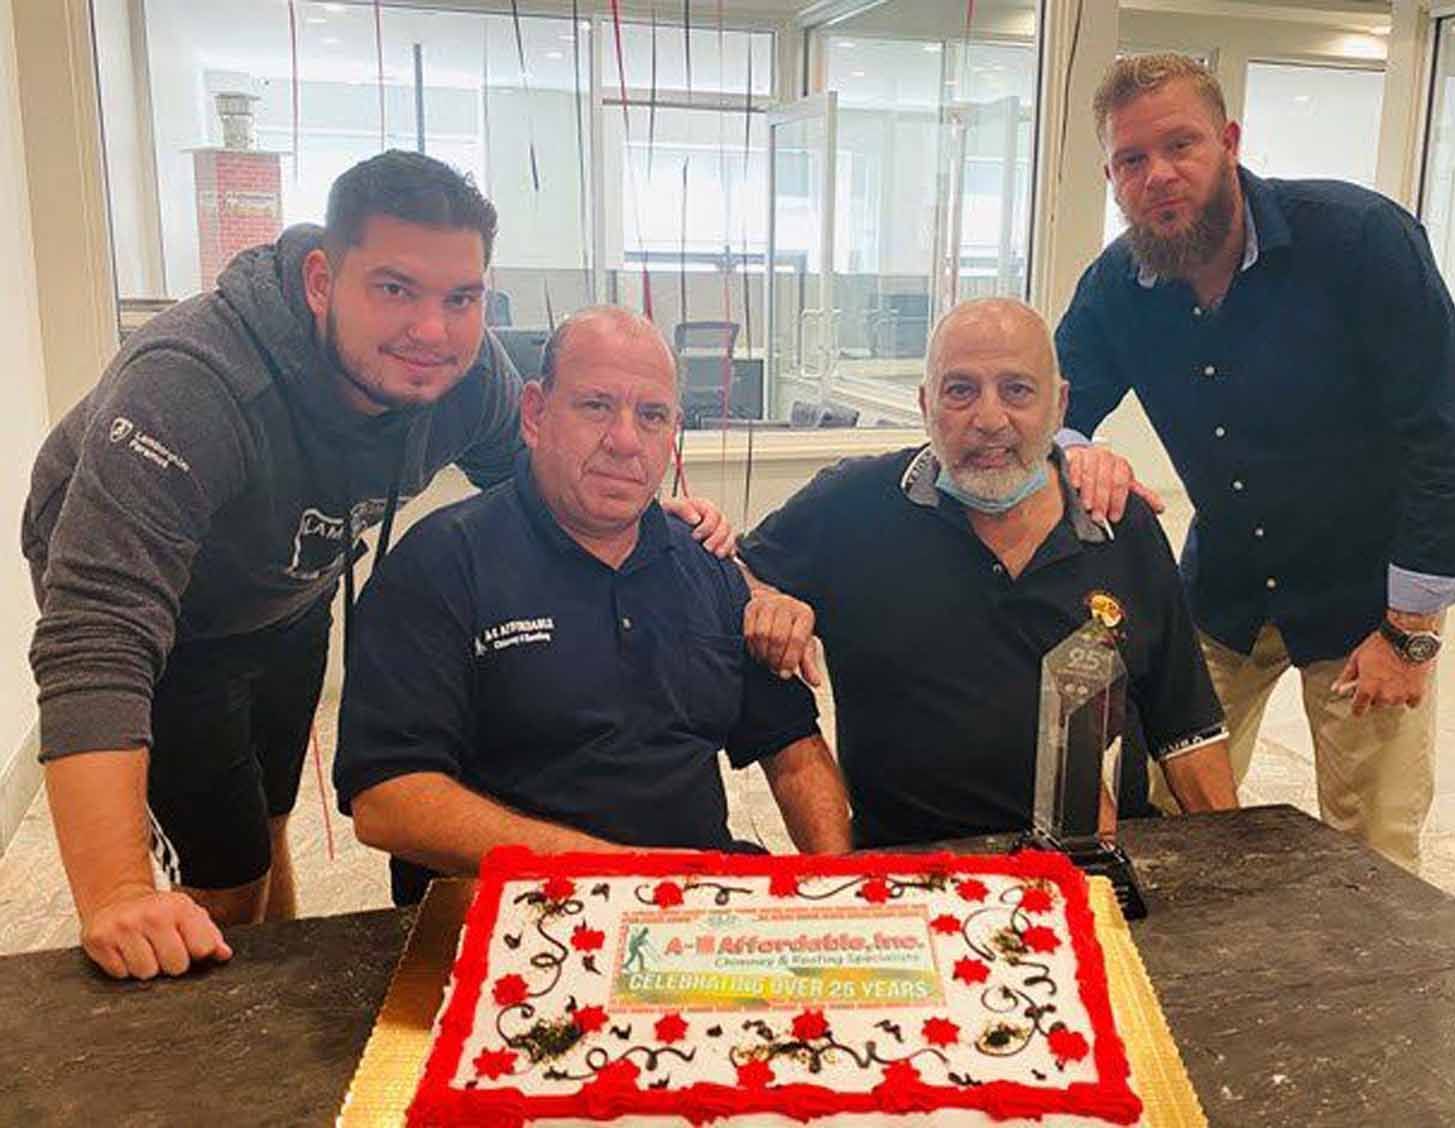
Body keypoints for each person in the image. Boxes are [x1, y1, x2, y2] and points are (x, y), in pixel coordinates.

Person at [25, 152, 730, 981]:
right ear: (323, 281)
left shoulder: (471, 379)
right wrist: (114, 892)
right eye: (395, 288)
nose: (431, 332)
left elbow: (547, 482)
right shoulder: (196, 383)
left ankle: (264, 981)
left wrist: (657, 526)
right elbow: (96, 635)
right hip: (170, 607)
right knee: (225, 866)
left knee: (272, 814)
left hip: (292, 586)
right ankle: (229, 1009)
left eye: (459, 298)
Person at [1053, 54, 1455, 870]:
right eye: (1132, 160)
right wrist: (1081, 454)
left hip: (1366, 598)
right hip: (1222, 588)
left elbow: (1450, 432)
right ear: (1111, 175)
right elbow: (1051, 406)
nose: (1159, 176)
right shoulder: (1119, 284)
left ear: (1228, 141)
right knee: (1158, 813)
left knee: (1373, 851)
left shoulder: (1360, 240)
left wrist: (1410, 634)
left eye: (1180, 145)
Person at [333, 306, 851, 905]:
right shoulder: (442, 563)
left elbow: (793, 754)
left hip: (694, 907)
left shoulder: (707, 563)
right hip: (510, 913)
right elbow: (387, 801)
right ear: (534, 414)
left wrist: (841, 888)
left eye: (651, 415)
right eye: (596, 406)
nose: (625, 441)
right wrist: (620, 873)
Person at [737, 298, 1238, 849]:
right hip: (915, 866)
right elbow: (736, 572)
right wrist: (765, 597)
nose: (990, 419)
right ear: (926, 404)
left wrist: (1238, 877)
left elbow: (1187, 730)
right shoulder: (850, 507)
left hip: (1094, 864)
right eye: (960, 390)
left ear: (1059, 404)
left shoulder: (1120, 524)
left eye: (1017, 390)